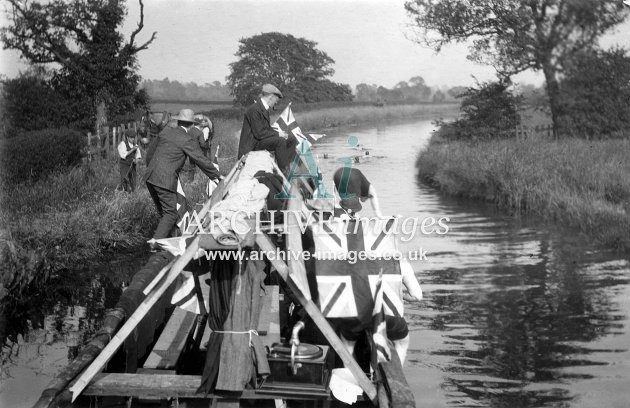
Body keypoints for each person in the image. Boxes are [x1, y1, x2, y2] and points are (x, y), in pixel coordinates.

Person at [145, 108, 221, 240]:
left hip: (150, 176)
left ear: (178, 121)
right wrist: (216, 175)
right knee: (171, 214)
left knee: (164, 212)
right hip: (164, 179)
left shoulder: (166, 131)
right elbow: (200, 159)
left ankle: (167, 240)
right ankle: (156, 243)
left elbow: (150, 152)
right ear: (191, 124)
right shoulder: (186, 139)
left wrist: (151, 168)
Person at [237, 83, 298, 170]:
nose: (276, 102)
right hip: (252, 146)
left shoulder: (263, 109)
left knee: (291, 138)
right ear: (271, 97)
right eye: (276, 99)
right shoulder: (254, 109)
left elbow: (266, 129)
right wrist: (278, 135)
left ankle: (290, 166)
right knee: (280, 141)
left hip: (259, 142)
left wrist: (280, 133)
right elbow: (259, 133)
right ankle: (284, 170)